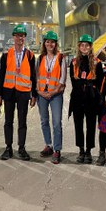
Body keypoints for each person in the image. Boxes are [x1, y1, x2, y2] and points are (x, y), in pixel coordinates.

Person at [0, 24, 37, 161]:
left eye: (23, 35)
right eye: (18, 35)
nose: (20, 38)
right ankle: (8, 148)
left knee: (22, 122)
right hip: (8, 92)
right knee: (8, 121)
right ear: (13, 37)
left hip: (24, 93)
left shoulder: (30, 55)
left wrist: (34, 95)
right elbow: (1, 76)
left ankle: (21, 148)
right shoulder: (6, 55)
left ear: (25, 38)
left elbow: (33, 76)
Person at [69, 34, 104, 164]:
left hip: (91, 99)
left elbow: (99, 82)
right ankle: (81, 150)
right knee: (78, 125)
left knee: (90, 126)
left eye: (87, 45)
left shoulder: (97, 63)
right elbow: (73, 80)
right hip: (78, 98)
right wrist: (85, 84)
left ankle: (88, 151)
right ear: (79, 47)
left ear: (90, 47)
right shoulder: (73, 62)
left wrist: (89, 87)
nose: (84, 47)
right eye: (82, 45)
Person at [36, 31, 66, 164]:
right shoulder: (41, 58)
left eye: (52, 42)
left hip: (56, 95)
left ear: (56, 44)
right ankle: (48, 145)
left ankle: (57, 149)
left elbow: (62, 79)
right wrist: (39, 91)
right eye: (47, 41)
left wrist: (53, 92)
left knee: (56, 122)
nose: (50, 44)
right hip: (42, 94)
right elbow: (36, 77)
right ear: (44, 43)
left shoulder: (61, 58)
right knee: (44, 121)